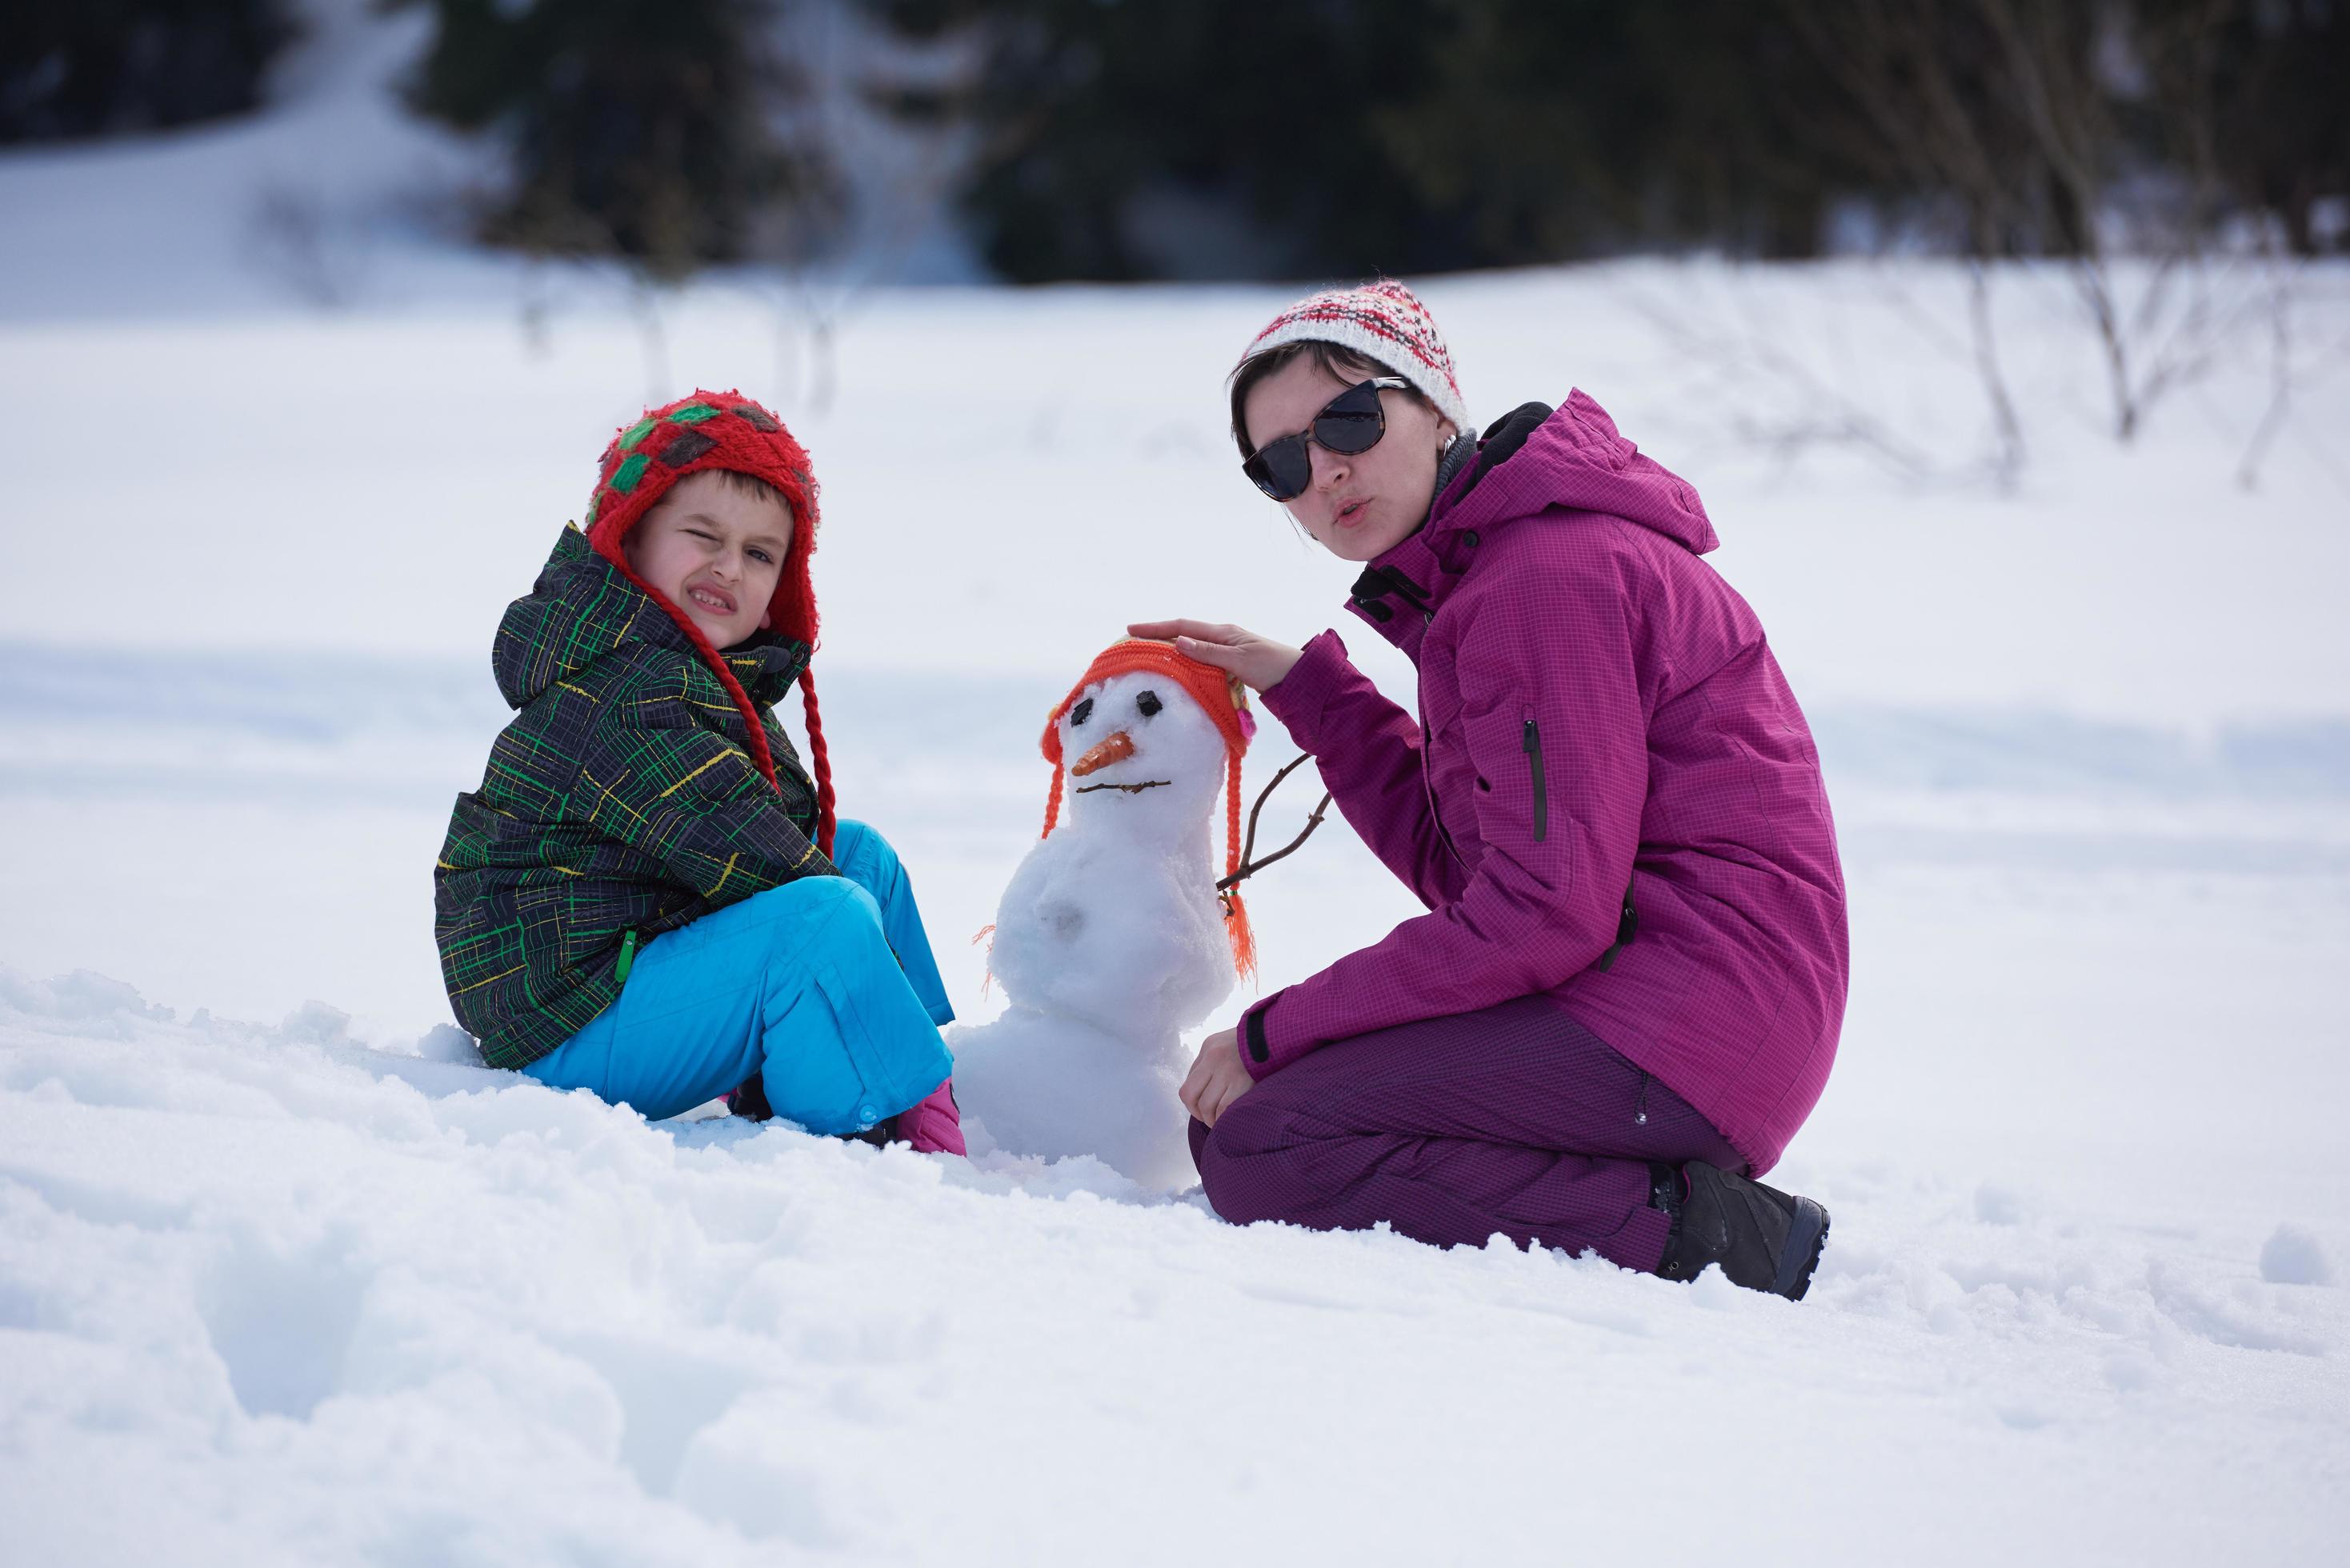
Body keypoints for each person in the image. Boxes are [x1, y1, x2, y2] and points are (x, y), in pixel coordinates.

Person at [1135, 279, 1846, 1298]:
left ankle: (1699, 1232)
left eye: (1349, 418)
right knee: (1259, 1126)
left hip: (1691, 1020)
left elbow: (1542, 913)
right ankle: (1641, 1185)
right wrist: (1319, 696)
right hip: (1685, 1012)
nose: (1326, 468)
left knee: (1266, 1143)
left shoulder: (1542, 579)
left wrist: (1271, 1028)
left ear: (1432, 403)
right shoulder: (1493, 575)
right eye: (1282, 463)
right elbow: (1476, 878)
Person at [434, 390, 963, 1153]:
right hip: (567, 1024)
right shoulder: (626, 691)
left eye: (758, 553)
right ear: (632, 536)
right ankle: (865, 1135)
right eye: (702, 535)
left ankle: (923, 1086)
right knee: (822, 919)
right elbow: (759, 862)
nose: (728, 567)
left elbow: (786, 843)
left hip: (639, 958)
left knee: (858, 856)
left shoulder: (696, 670)